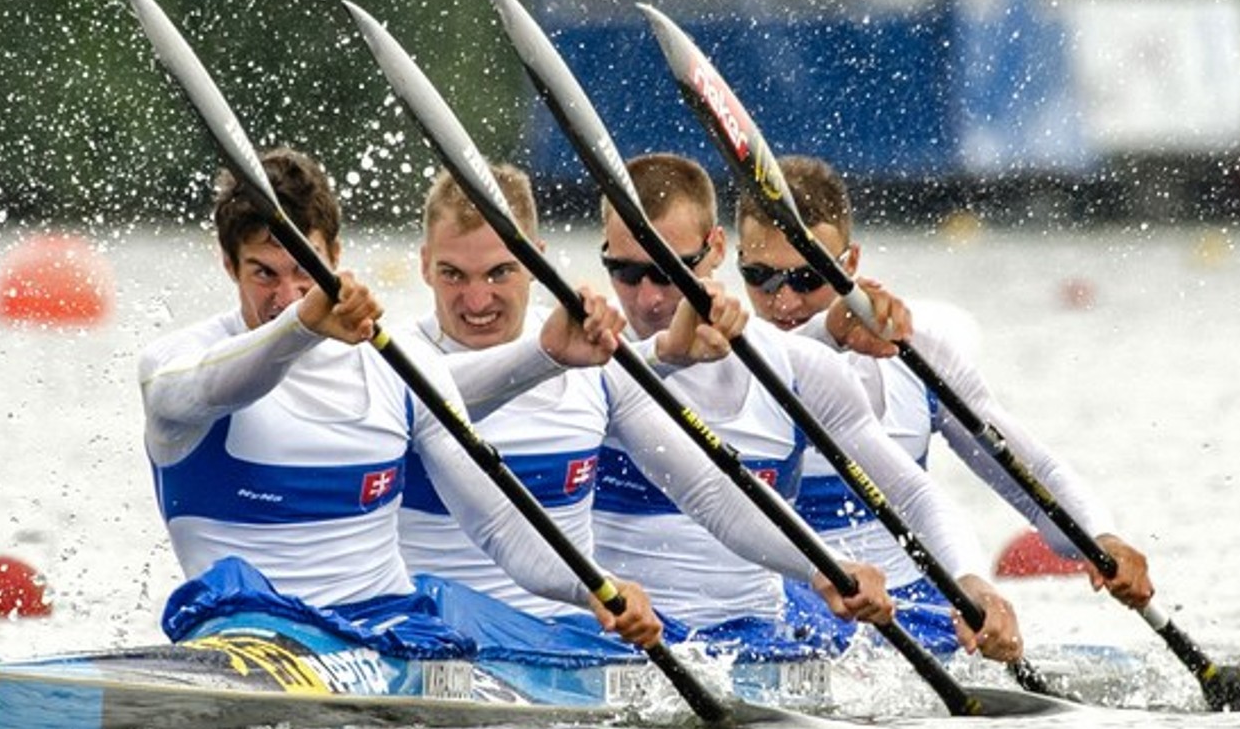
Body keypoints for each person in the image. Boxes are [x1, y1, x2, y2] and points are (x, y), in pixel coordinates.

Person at [137, 147, 662, 661]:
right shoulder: (179, 362)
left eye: (306, 270)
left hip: (389, 636)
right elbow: (208, 388)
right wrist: (300, 327)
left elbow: (498, 524)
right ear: (228, 265)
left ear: (336, 257)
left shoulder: (399, 364)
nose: (289, 294)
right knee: (236, 595)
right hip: (249, 632)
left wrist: (593, 587)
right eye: (264, 274)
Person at [398, 162, 896, 645]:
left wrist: (824, 568)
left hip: (563, 644)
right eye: (453, 275)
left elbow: (709, 494)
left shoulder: (593, 367)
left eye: (500, 272)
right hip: (433, 633)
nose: (478, 300)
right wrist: (549, 356)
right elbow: (429, 395)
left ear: (536, 262)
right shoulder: (392, 364)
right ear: (424, 266)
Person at [594, 152, 1022, 661]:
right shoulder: (583, 364)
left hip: (762, 637)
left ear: (713, 253)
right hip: (619, 630)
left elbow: (911, 493)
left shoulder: (805, 369)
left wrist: (974, 582)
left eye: (667, 272)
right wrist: (666, 354)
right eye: (623, 271)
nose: (646, 299)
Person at [734, 154, 1156, 611]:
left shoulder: (919, 354)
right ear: (735, 260)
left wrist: (1100, 538)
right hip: (780, 611)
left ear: (850, 262)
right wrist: (829, 331)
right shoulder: (720, 362)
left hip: (909, 609)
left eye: (807, 278)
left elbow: (1033, 474)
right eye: (760, 278)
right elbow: (782, 367)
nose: (783, 300)